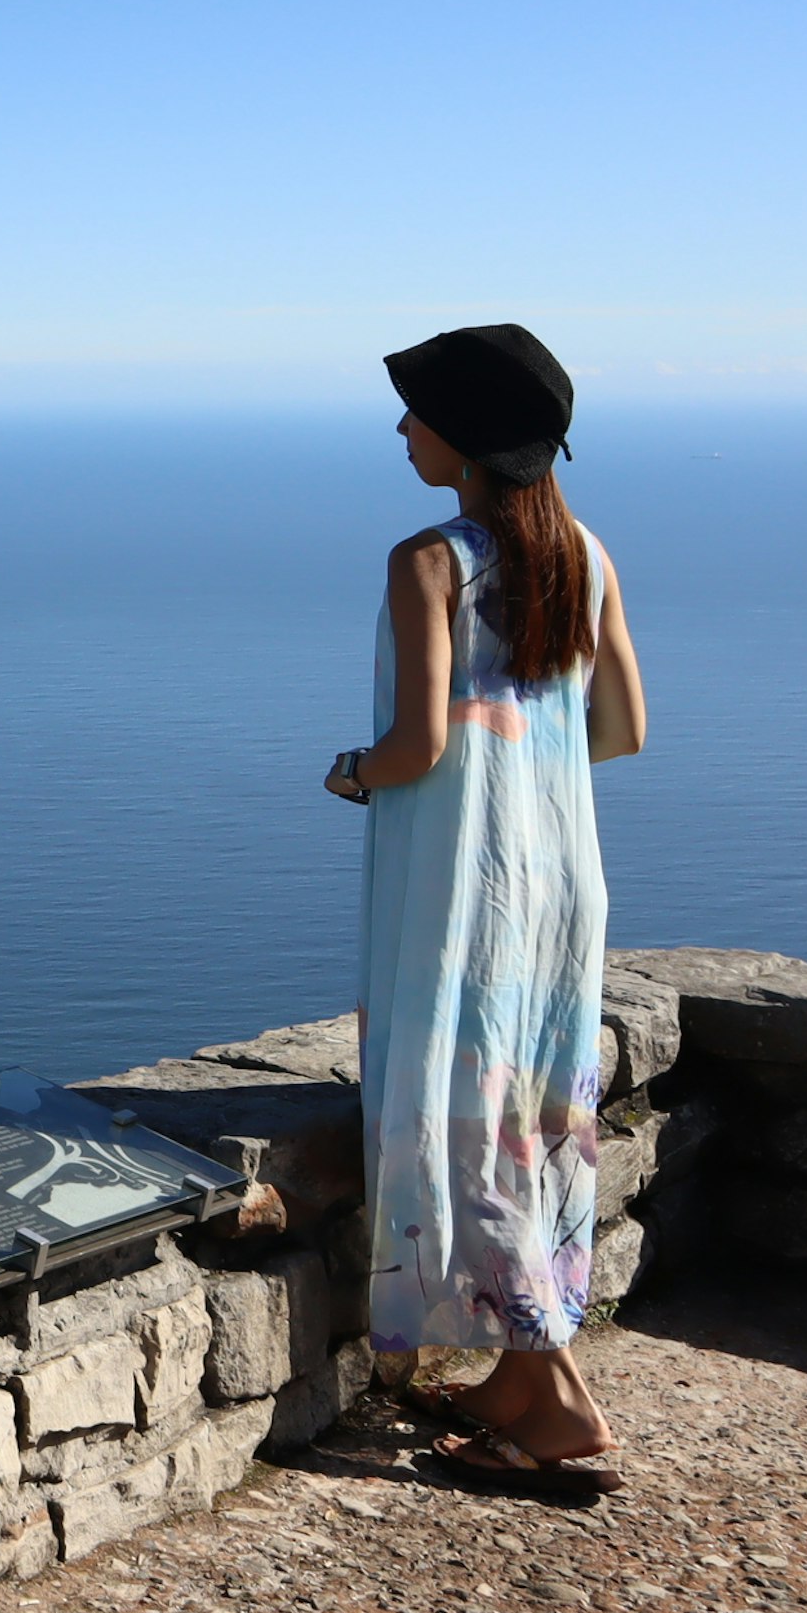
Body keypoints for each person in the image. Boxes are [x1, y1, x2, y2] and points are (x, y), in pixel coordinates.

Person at [322, 323, 648, 1500]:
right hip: (560, 884)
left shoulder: (431, 561)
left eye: (416, 411)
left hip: (462, 891)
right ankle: (514, 1374)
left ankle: (555, 1397)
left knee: (473, 1122)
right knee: (539, 1120)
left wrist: (351, 770)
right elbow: (622, 731)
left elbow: (417, 746)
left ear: (460, 434)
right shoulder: (584, 553)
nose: (402, 429)